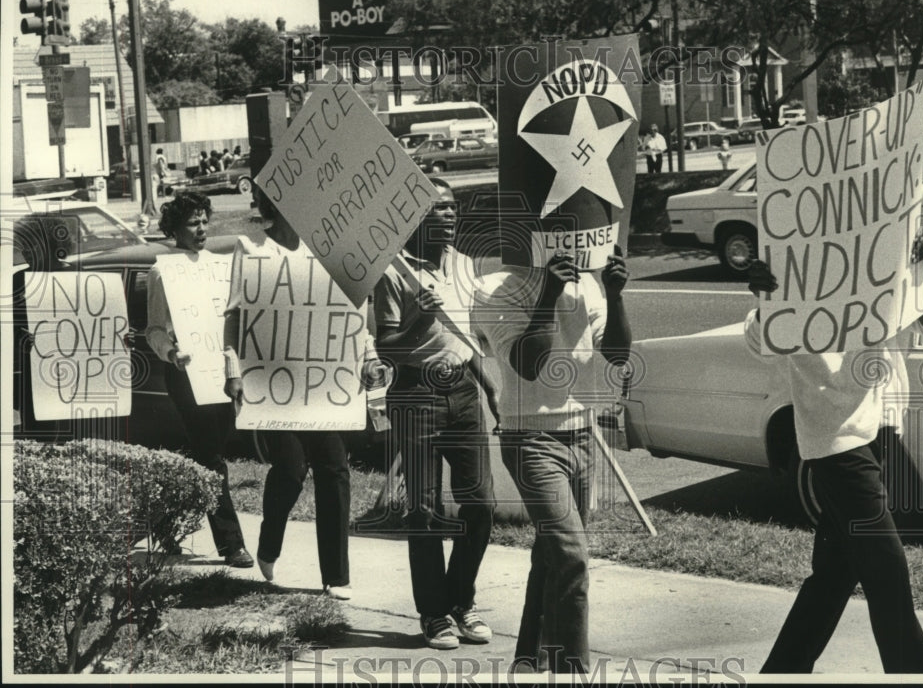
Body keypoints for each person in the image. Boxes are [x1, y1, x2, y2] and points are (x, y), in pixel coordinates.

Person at [747, 228, 923, 674]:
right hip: (836, 441)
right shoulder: (793, 266)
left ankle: (781, 673)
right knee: (887, 573)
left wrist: (922, 274)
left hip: (883, 430)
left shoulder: (879, 254)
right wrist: (767, 297)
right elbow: (762, 343)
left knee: (835, 576)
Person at [472, 248, 631, 674]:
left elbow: (616, 354)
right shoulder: (494, 289)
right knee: (572, 559)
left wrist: (615, 295)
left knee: (551, 555)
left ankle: (528, 659)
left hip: (582, 434)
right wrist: (548, 293)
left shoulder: (589, 284)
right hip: (530, 439)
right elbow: (529, 364)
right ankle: (573, 672)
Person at [222, 186, 384, 598]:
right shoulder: (251, 248)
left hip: (325, 383)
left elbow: (355, 317)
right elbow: (235, 316)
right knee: (291, 471)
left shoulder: (329, 251)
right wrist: (233, 370)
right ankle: (270, 538)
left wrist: (368, 358)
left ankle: (336, 575)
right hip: (274, 380)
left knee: (334, 470)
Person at [373, 177, 499, 650]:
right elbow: (385, 346)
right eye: (437, 209)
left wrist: (491, 391)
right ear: (414, 216)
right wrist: (417, 322)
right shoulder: (394, 271)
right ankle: (434, 614)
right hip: (416, 394)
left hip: (464, 392)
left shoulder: (464, 266)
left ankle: (460, 601)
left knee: (481, 505)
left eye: (451, 208)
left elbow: (468, 341)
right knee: (424, 511)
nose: (448, 216)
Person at [145, 190, 253, 568]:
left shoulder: (220, 267)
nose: (202, 227)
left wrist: (234, 373)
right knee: (211, 458)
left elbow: (231, 329)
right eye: (193, 222)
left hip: (220, 375)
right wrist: (171, 352)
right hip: (186, 374)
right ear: (176, 228)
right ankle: (231, 544)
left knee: (205, 455)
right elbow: (154, 330)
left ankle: (158, 518)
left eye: (205, 220)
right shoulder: (163, 271)